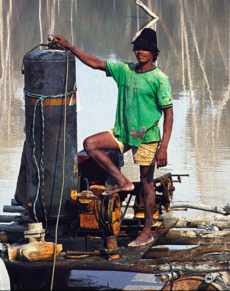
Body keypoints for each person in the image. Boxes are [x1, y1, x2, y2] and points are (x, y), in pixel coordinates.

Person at [53, 28, 173, 247]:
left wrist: (163, 147)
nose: (140, 52)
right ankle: (122, 181)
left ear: (153, 53)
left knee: (147, 183)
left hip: (148, 137)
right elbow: (95, 62)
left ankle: (146, 232)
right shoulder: (124, 70)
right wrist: (69, 47)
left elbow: (169, 115)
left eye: (145, 49)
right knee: (90, 144)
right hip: (123, 132)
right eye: (138, 48)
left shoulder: (160, 79)